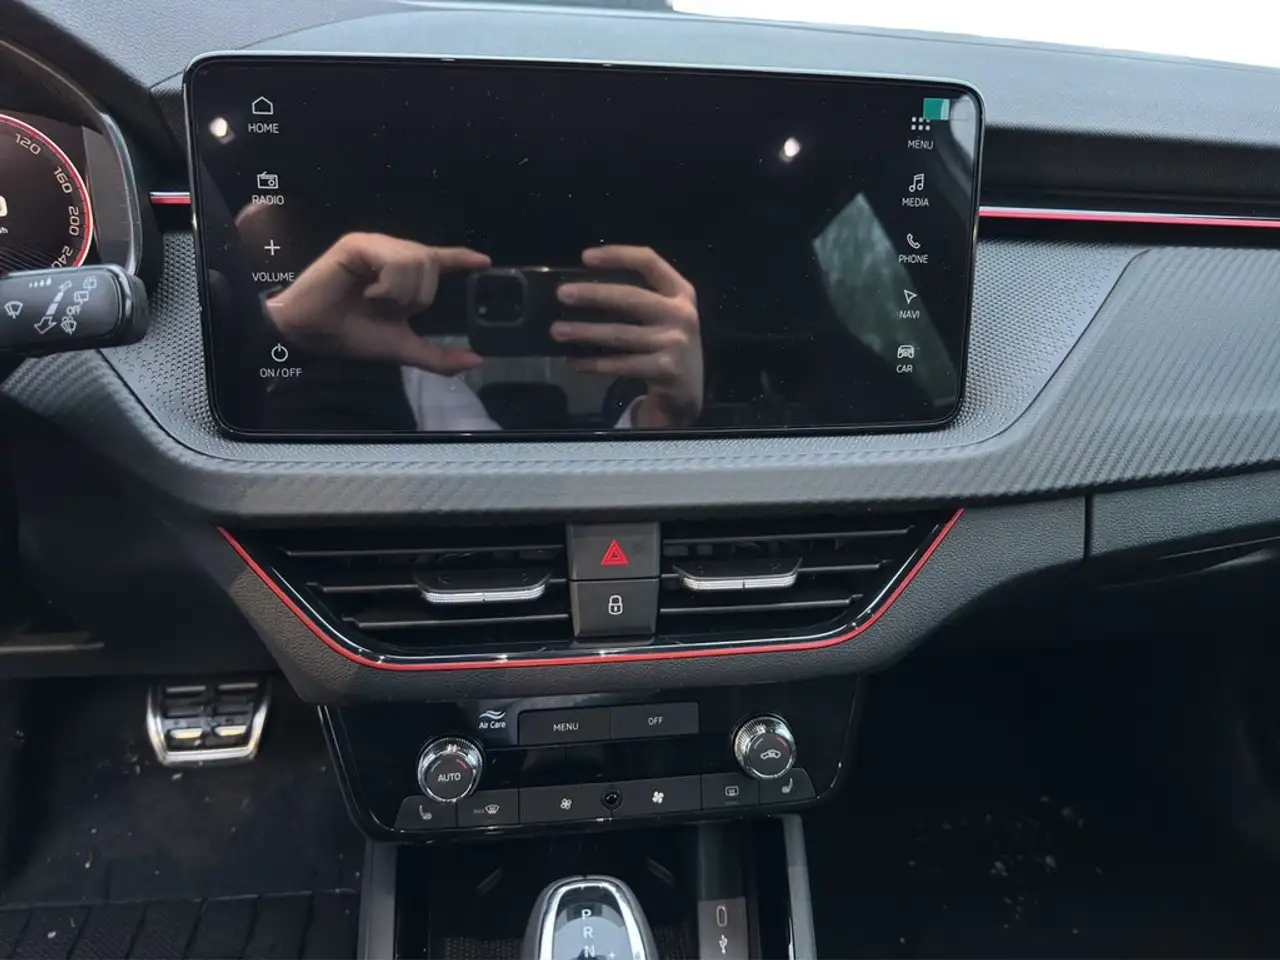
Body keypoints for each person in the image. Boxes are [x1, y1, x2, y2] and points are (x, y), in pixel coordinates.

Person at [263, 232, 704, 431]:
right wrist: (276, 328)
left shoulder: (419, 381)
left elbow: (520, 499)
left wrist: (663, 420)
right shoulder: (410, 376)